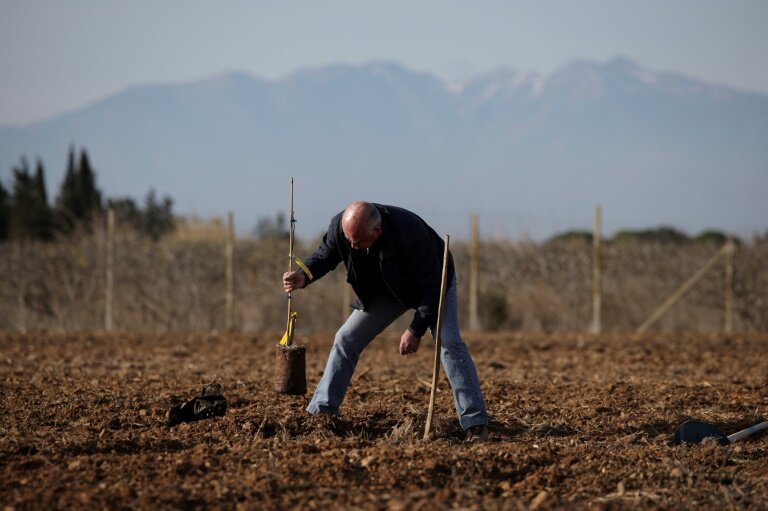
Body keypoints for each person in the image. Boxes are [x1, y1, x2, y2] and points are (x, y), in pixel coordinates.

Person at [282, 201, 489, 442]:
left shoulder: (411, 233)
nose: (352, 246)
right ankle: (322, 413)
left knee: (449, 342)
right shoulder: (342, 227)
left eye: (357, 241)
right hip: (386, 288)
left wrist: (415, 329)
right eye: (348, 239)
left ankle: (475, 422)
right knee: (345, 338)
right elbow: (325, 256)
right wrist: (303, 275)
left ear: (377, 230)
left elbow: (433, 288)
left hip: (432, 285)